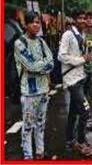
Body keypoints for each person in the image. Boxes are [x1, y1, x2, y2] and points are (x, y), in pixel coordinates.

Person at [14, 11, 54, 160]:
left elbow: (51, 62)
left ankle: (40, 152)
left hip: (44, 89)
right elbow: (31, 66)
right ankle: (28, 156)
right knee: (28, 125)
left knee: (41, 123)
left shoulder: (41, 42)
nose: (36, 25)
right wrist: (43, 66)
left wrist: (42, 66)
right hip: (29, 92)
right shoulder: (20, 43)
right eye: (33, 22)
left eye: (38, 22)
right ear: (26, 24)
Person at [58, 10, 92, 156]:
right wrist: (81, 60)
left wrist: (89, 56)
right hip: (71, 80)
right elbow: (61, 56)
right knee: (85, 111)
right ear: (74, 20)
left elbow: (87, 54)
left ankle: (70, 141)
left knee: (74, 112)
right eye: (79, 18)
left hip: (82, 77)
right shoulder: (68, 34)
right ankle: (80, 140)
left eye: (84, 18)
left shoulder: (85, 35)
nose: (82, 21)